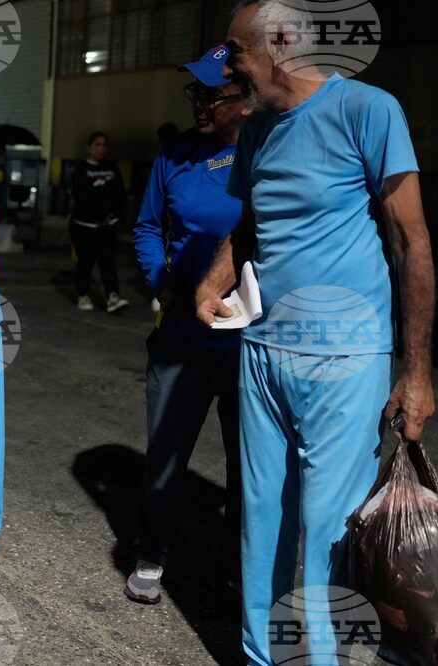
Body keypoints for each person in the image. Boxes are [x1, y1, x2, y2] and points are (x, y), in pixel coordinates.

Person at [195, 2, 436, 663]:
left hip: (345, 359)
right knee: (261, 522)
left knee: (331, 531)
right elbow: (250, 225)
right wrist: (215, 280)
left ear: (278, 46)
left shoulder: (368, 110)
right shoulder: (256, 129)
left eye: (236, 53)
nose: (229, 70)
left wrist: (416, 373)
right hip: (263, 354)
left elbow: (412, 241)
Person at [127, 44, 250, 605]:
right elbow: (148, 227)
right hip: (180, 338)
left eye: (211, 94)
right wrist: (162, 281)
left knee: (250, 466)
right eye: (194, 91)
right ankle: (152, 554)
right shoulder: (175, 154)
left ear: (246, 98)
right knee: (166, 455)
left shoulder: (269, 153)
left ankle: (238, 568)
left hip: (251, 344)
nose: (198, 102)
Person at [68, 131, 130, 313]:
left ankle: (112, 296)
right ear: (89, 148)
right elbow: (79, 195)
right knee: (85, 261)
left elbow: (120, 194)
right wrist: (97, 210)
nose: (101, 148)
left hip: (107, 225)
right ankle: (83, 295)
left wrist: (115, 216)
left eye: (104, 145)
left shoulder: (112, 169)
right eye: (97, 144)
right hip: (84, 225)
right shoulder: (81, 170)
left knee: (107, 261)